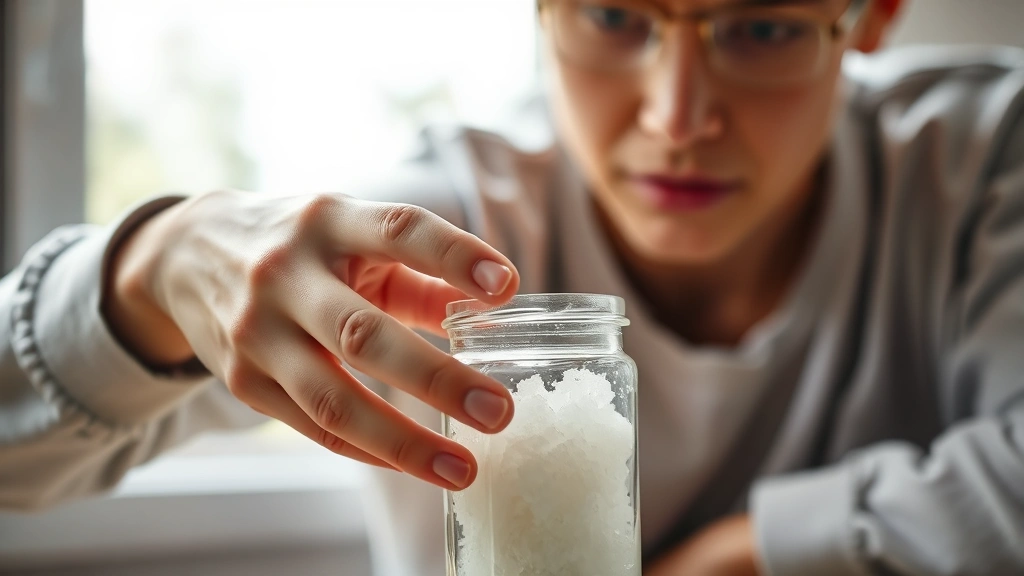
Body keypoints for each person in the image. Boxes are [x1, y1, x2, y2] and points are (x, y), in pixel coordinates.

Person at [2, 0, 1023, 573]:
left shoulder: (984, 161)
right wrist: (145, 272)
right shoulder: (437, 236)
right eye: (616, 16)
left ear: (872, 16)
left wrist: (749, 553)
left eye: (760, 27)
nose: (676, 115)